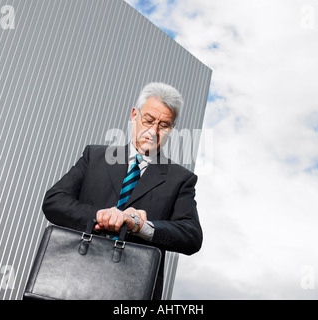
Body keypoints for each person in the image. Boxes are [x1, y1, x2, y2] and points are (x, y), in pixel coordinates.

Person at [42, 82, 203, 300]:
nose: (153, 131)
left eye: (164, 125)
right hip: (69, 283)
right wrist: (100, 215)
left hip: (131, 291)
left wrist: (140, 226)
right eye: (148, 120)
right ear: (134, 115)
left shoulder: (180, 179)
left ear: (172, 128)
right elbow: (54, 201)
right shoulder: (95, 156)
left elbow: (191, 235)